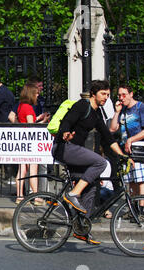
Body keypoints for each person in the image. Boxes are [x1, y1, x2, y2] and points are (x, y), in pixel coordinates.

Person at [52, 80, 129, 244]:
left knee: (92, 185)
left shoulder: (97, 113)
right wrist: (65, 132)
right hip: (64, 147)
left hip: (74, 151)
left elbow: (108, 137)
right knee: (100, 163)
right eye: (103, 94)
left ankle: (81, 229)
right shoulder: (82, 105)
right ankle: (73, 194)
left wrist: (122, 155)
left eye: (108, 95)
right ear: (93, 94)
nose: (106, 98)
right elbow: (67, 121)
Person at [109, 84, 144, 205]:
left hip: (138, 147)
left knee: (141, 179)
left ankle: (141, 208)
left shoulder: (140, 107)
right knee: (130, 180)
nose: (121, 98)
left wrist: (131, 140)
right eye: (119, 95)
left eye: (124, 95)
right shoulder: (122, 110)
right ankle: (133, 207)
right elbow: (113, 129)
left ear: (131, 94)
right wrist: (116, 112)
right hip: (125, 149)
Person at [15, 83, 41, 204]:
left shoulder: (20, 106)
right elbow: (31, 125)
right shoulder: (29, 108)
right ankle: (36, 196)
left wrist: (40, 118)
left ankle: (19, 196)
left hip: (21, 141)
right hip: (30, 142)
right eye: (36, 93)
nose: (37, 96)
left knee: (22, 169)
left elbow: (22, 121)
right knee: (33, 169)